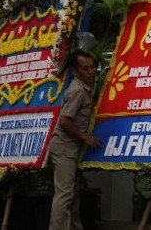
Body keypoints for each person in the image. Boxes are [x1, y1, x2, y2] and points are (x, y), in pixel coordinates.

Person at [48, 49, 102, 230]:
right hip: (65, 148)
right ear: (74, 71)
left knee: (73, 195)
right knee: (64, 196)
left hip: (71, 149)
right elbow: (64, 121)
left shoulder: (86, 87)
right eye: (85, 69)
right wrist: (85, 137)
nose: (91, 72)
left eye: (92, 67)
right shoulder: (78, 90)